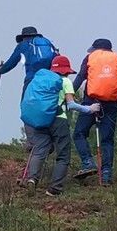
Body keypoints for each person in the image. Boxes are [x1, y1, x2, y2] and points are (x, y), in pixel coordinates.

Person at [71, 38, 117, 184]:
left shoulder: (89, 58)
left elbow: (80, 78)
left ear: (95, 49)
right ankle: (106, 175)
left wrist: (69, 94)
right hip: (111, 105)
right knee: (107, 140)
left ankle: (88, 162)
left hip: (91, 103)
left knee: (79, 133)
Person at [18, 53, 77, 194]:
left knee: (39, 149)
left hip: (42, 119)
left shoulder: (40, 79)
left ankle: (32, 179)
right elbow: (72, 105)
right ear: (67, 71)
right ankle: (55, 189)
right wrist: (90, 109)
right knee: (63, 155)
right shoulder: (65, 81)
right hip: (59, 120)